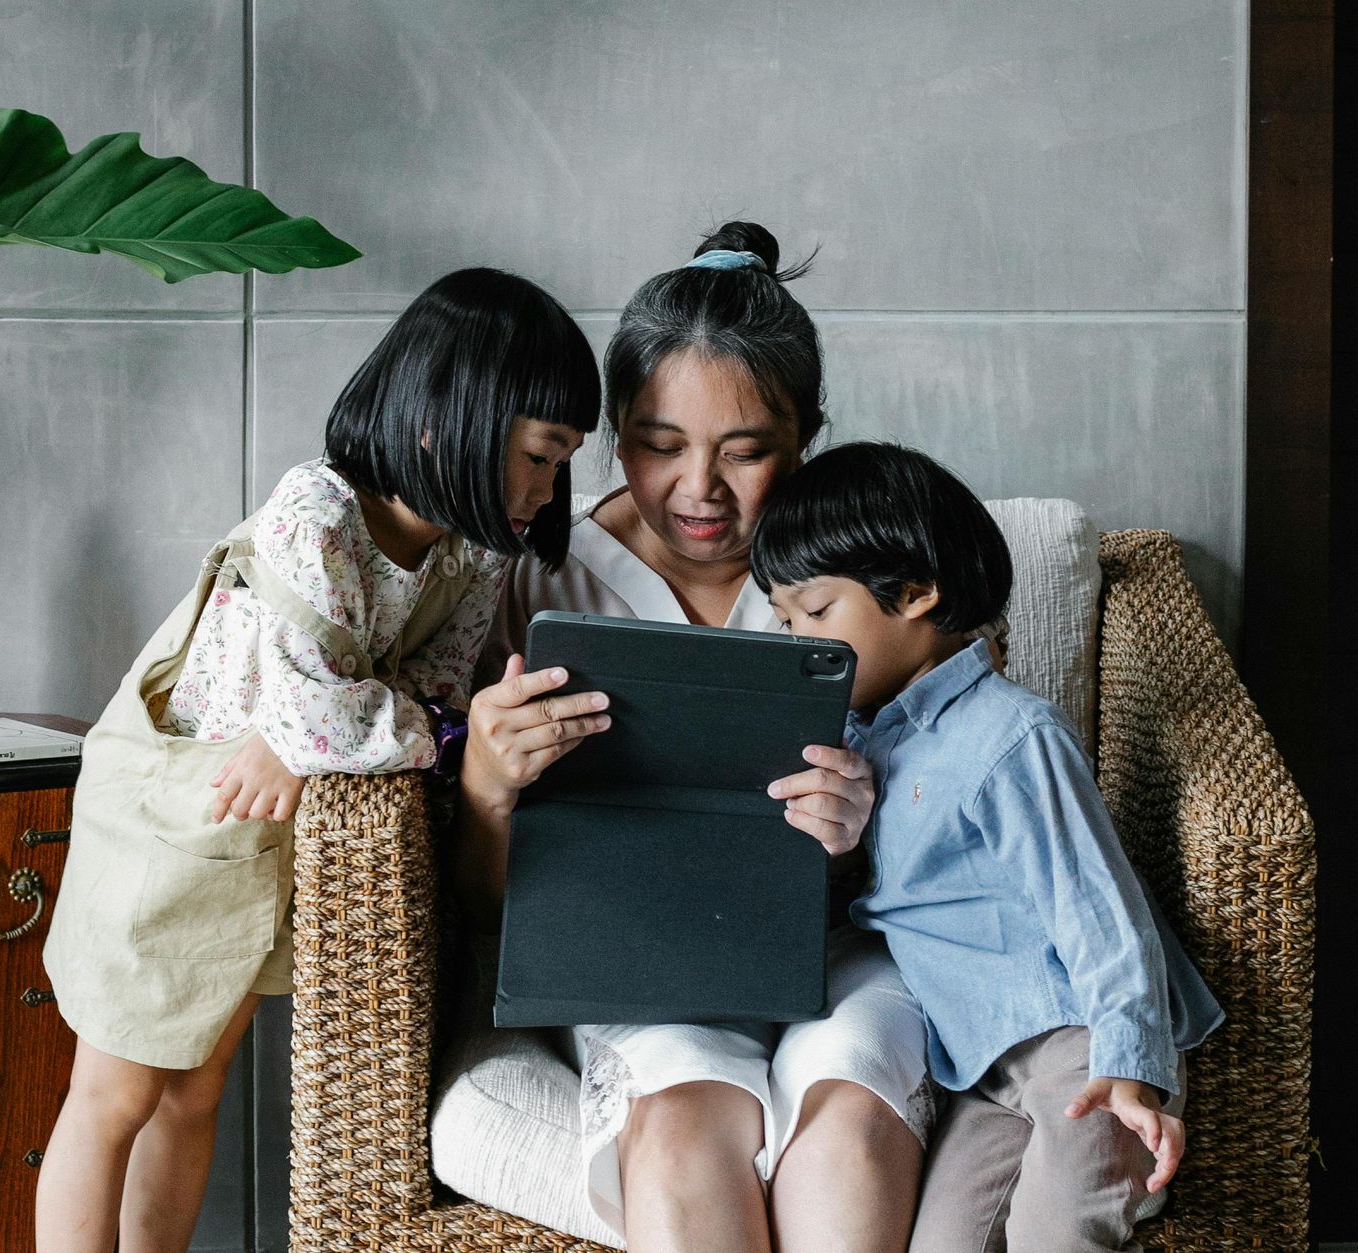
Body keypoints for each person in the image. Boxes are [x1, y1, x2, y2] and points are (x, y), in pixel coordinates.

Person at [36, 268, 600, 1253]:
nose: (546, 489)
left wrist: (340, 726)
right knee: (116, 1088)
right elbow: (341, 715)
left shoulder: (467, 556)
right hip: (177, 815)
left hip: (262, 846)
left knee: (195, 1090)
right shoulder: (318, 511)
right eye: (537, 455)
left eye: (560, 463)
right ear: (446, 420)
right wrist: (334, 726)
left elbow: (430, 701)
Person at [447, 224, 931, 1253]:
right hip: (642, 963)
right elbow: (488, 909)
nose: (698, 490)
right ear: (613, 431)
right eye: (659, 444)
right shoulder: (542, 577)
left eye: (746, 450)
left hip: (847, 953)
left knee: (846, 1138)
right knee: (678, 1136)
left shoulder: (880, 569)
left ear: (807, 437)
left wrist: (867, 827)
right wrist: (488, 782)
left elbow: (978, 822)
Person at [749, 440, 1225, 1252]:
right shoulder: (862, 743)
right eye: (786, 617)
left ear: (917, 594)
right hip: (979, 1066)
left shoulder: (1010, 736)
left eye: (817, 612)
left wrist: (1131, 1065)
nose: (801, 640)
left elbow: (1099, 911)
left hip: (1079, 1045)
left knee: (1059, 1230)